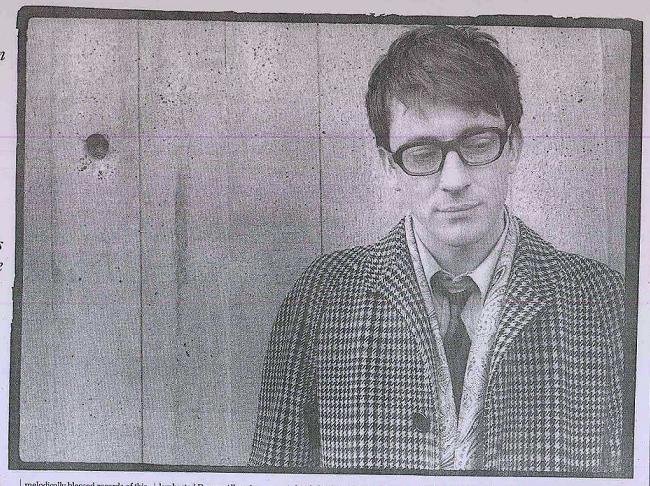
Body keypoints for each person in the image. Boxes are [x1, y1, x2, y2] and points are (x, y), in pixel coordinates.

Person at [249, 25, 625, 473]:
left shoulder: (604, 303)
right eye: (423, 154)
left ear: (513, 147)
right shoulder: (321, 300)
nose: (454, 180)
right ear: (389, 166)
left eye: (478, 144)